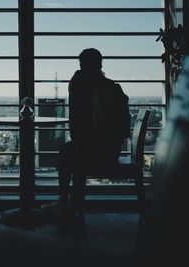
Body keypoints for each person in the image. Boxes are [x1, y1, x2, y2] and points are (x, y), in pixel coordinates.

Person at [41, 48, 130, 215]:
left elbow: (78, 125)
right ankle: (74, 201)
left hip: (95, 153)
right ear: (100, 64)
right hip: (112, 151)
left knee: (68, 153)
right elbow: (124, 127)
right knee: (77, 151)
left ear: (82, 65)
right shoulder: (113, 88)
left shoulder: (82, 84)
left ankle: (65, 201)